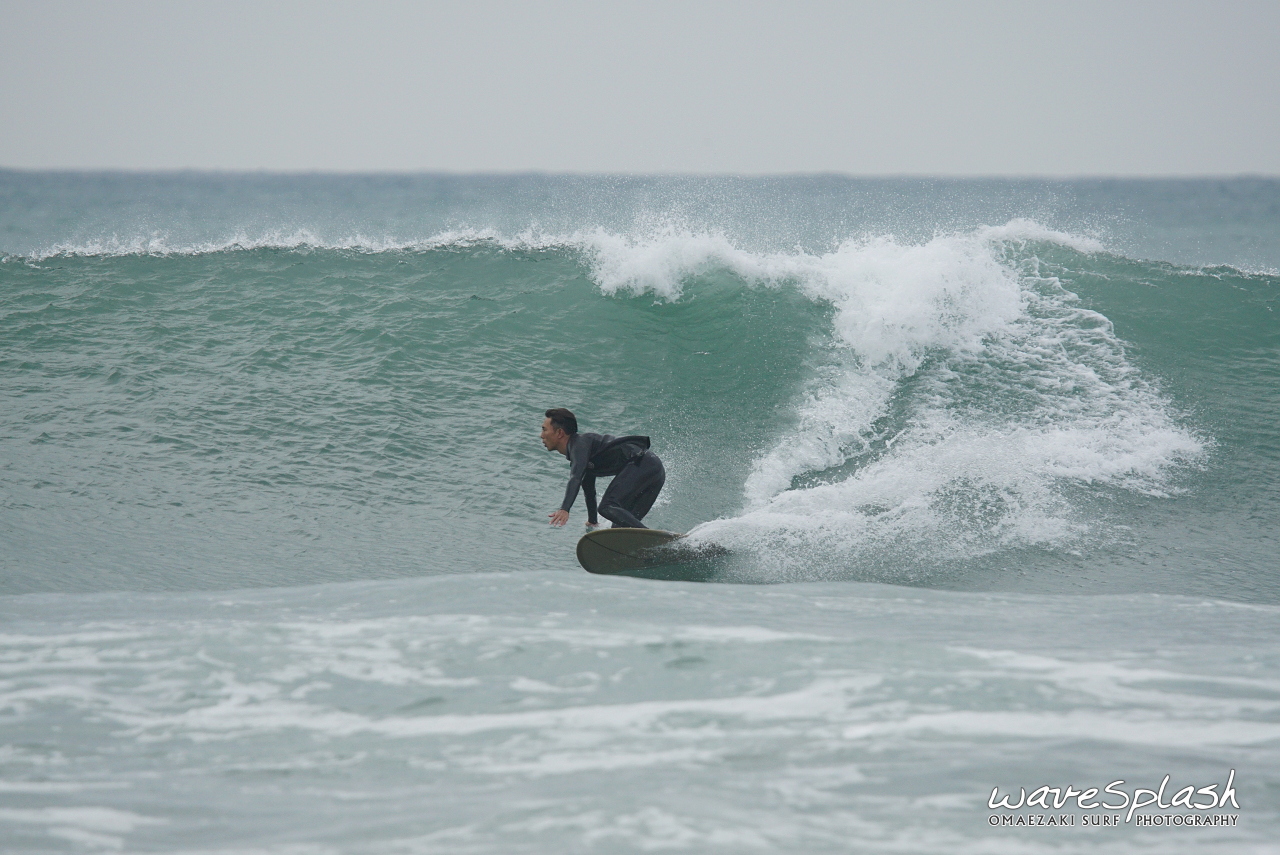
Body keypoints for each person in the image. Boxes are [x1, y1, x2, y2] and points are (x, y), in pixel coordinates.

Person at [541, 407, 665, 529]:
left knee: (607, 506)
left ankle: (650, 536)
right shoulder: (583, 454)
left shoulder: (579, 444)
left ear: (560, 433)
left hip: (642, 463)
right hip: (654, 470)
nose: (541, 435)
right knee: (620, 528)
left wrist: (564, 509)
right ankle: (659, 540)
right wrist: (592, 521)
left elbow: (575, 478)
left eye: (544, 430)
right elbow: (589, 489)